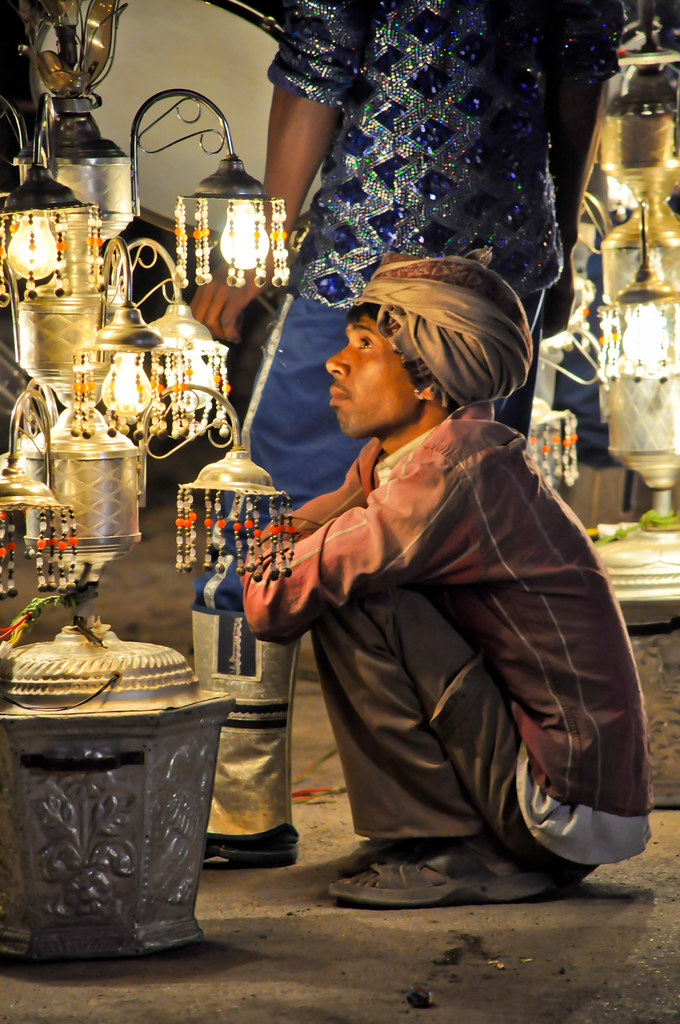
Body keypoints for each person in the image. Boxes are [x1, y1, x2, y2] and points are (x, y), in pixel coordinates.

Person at [192, 0, 625, 868]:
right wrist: (562, 229)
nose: (342, 369)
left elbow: (320, 59)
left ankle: (247, 811)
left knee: (250, 523)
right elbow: (582, 67)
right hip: (508, 249)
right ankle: (444, 819)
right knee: (438, 565)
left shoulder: (380, 349)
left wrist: (258, 251)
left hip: (373, 240)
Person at [241, 252, 652, 908]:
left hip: (561, 803)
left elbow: (276, 599)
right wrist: (282, 545)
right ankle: (427, 837)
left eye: (364, 345)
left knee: (357, 597)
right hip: (555, 786)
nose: (335, 362)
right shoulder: (400, 460)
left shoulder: (452, 475)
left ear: (428, 377)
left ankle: (445, 848)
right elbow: (300, 538)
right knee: (347, 572)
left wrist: (267, 550)